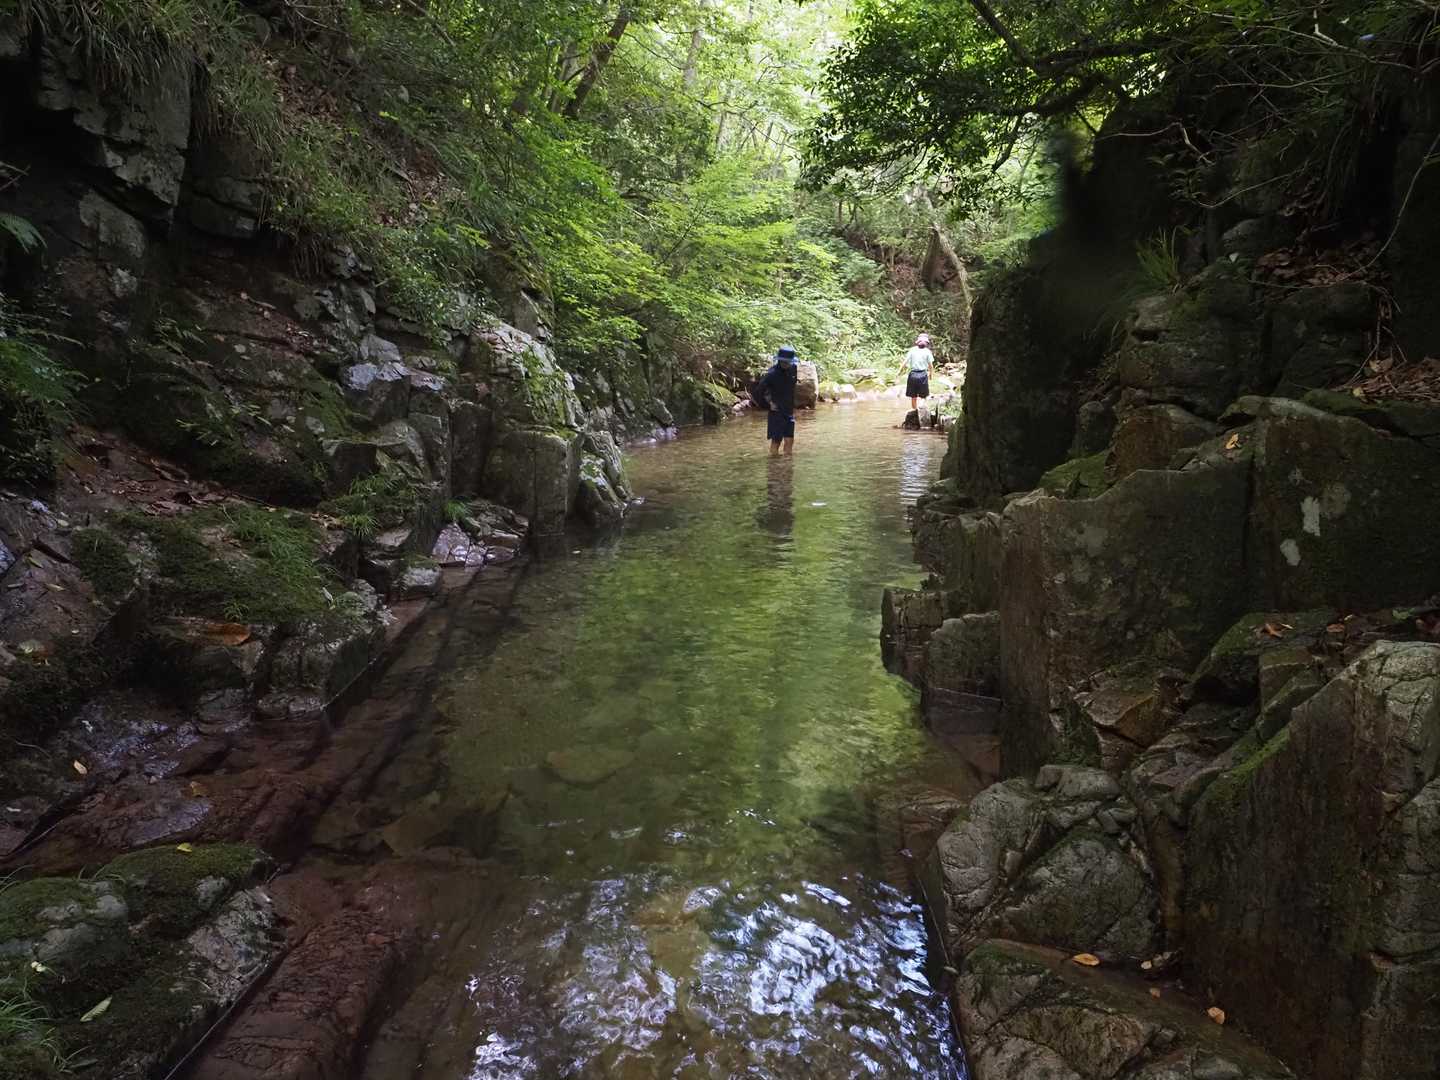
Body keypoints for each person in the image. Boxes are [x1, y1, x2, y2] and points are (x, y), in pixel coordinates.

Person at [754, 345, 799, 456]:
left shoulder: (793, 369)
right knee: (776, 441)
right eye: (783, 361)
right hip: (776, 413)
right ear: (779, 360)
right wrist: (768, 405)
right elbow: (758, 392)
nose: (786, 364)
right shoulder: (771, 374)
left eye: (788, 362)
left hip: (789, 411)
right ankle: (774, 464)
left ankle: (787, 464)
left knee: (789, 440)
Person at [900, 333, 934, 413]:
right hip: (923, 375)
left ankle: (914, 410)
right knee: (923, 395)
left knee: (913, 395)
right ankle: (921, 408)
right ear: (926, 343)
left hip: (913, 375)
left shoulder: (912, 350)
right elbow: (930, 365)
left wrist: (899, 371)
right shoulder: (927, 351)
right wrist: (930, 374)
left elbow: (905, 362)